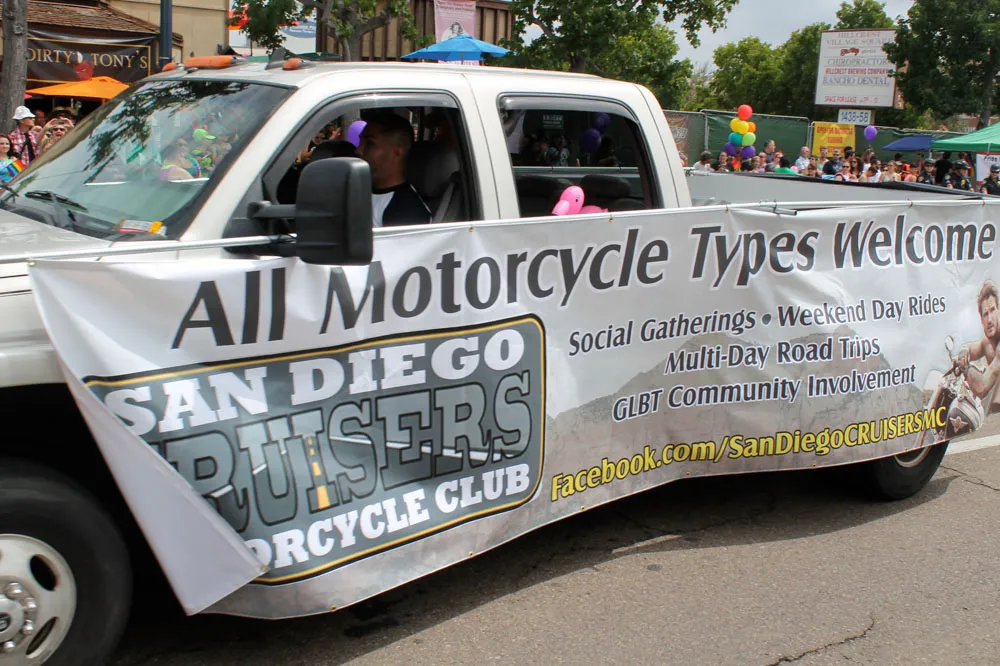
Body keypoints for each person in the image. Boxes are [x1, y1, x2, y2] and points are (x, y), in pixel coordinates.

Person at [356, 112, 431, 227]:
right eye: (360, 142)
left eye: (370, 143)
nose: (358, 150)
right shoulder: (361, 192)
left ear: (397, 152)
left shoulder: (407, 211)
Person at [958, 280, 1000, 409]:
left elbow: (982, 387)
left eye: (992, 310)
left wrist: (965, 369)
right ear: (981, 319)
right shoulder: (987, 342)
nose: (989, 320)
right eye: (985, 314)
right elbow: (971, 348)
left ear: (999, 310)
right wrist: (963, 351)